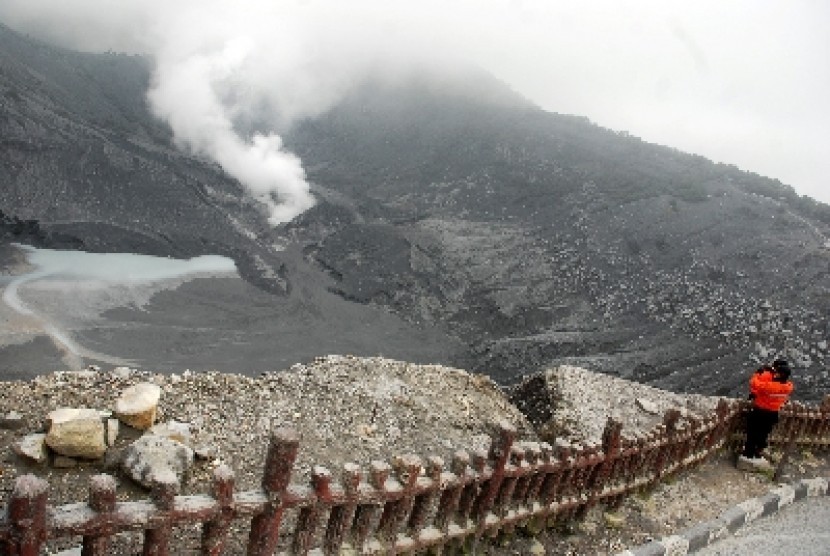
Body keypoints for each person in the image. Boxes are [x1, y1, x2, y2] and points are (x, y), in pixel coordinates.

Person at [740, 359, 794, 464]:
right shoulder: (788, 387)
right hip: (773, 414)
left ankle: (748, 453)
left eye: (777, 372)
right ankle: (758, 452)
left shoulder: (771, 386)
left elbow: (755, 383)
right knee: (763, 433)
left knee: (752, 432)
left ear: (781, 374)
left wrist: (758, 373)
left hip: (760, 412)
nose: (775, 374)